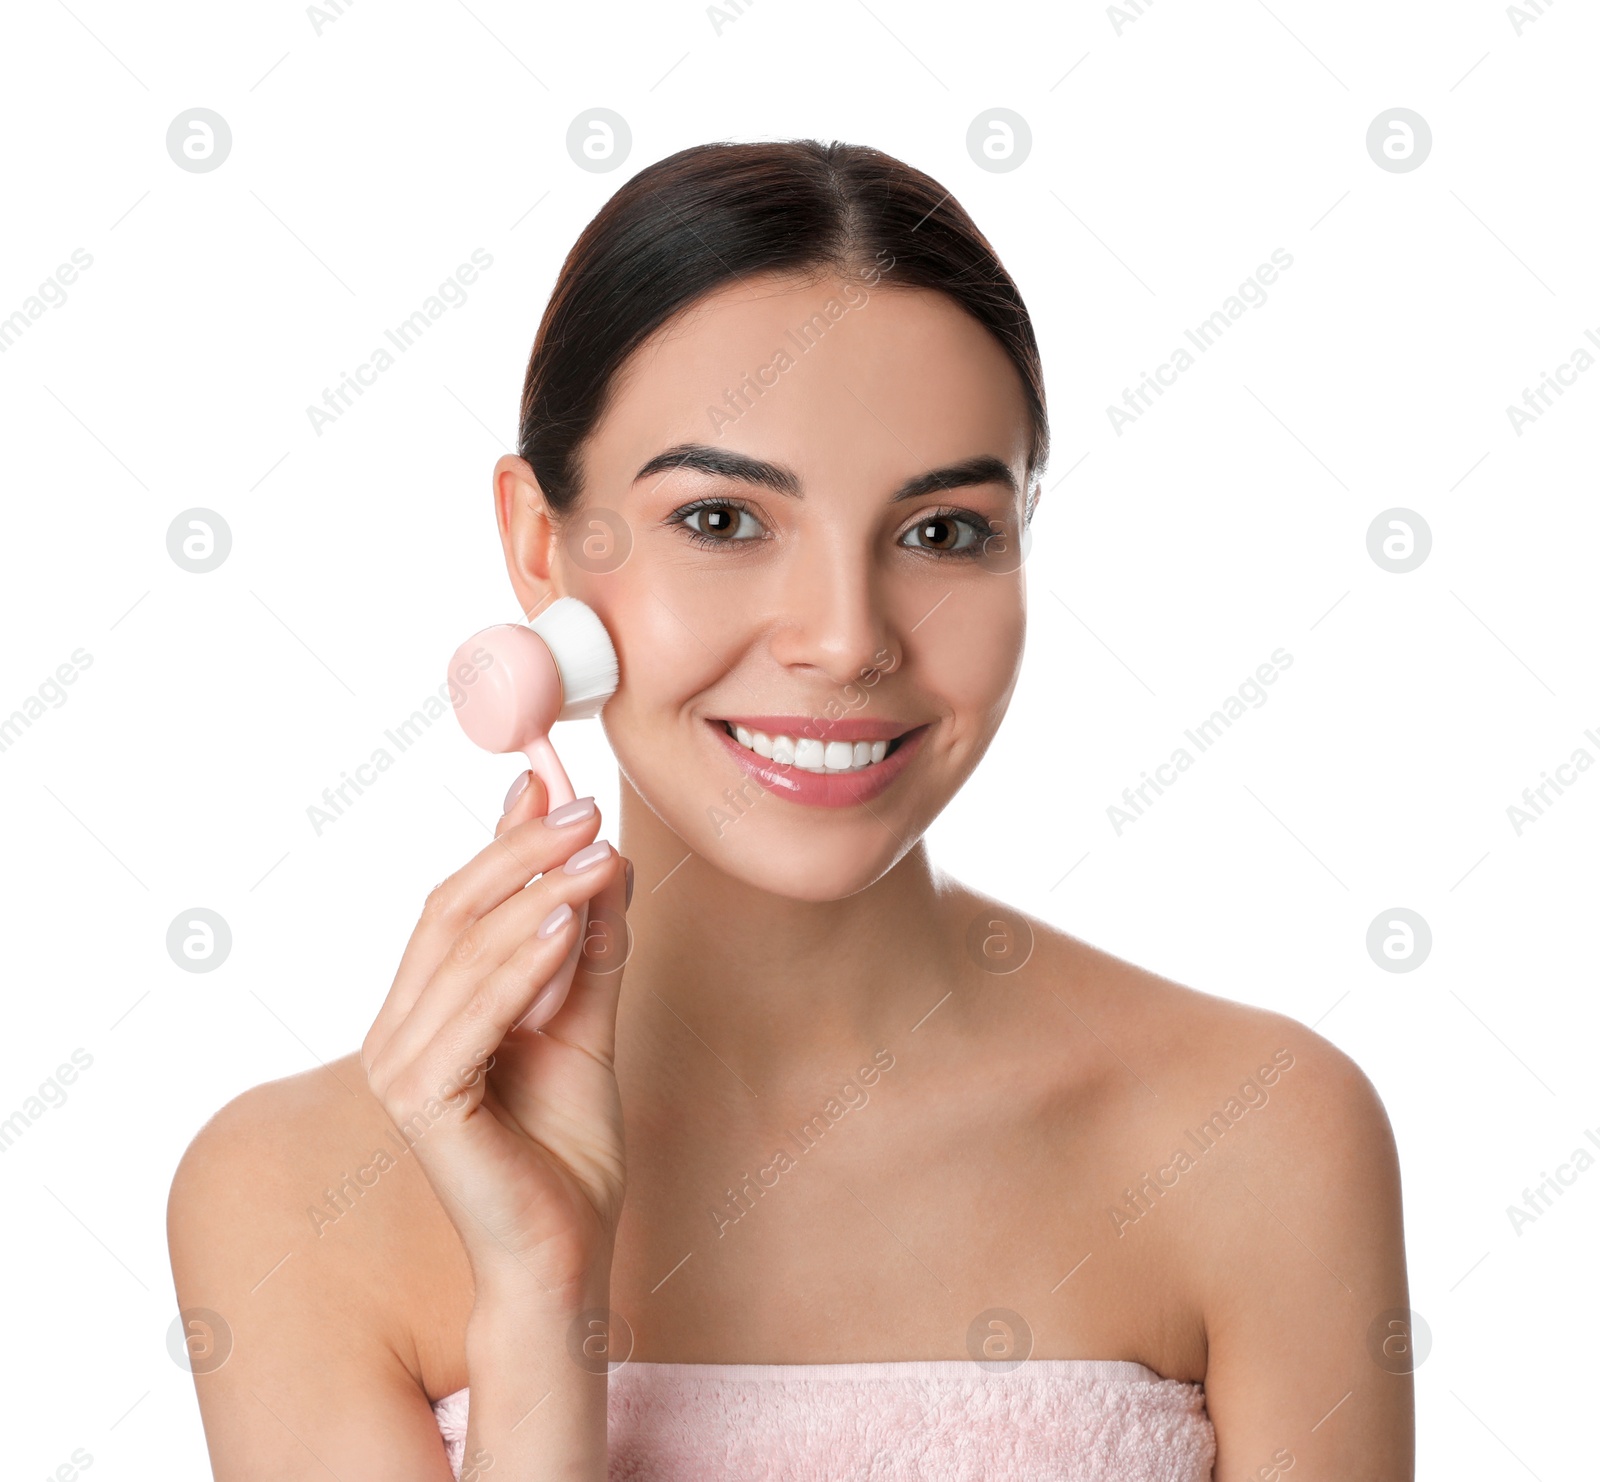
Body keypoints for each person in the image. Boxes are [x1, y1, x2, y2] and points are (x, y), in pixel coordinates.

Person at [167, 139, 1414, 1481]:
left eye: (941, 531)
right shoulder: (288, 1194)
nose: (844, 638)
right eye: (721, 518)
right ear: (541, 547)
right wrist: (536, 1300)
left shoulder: (1263, 1136)